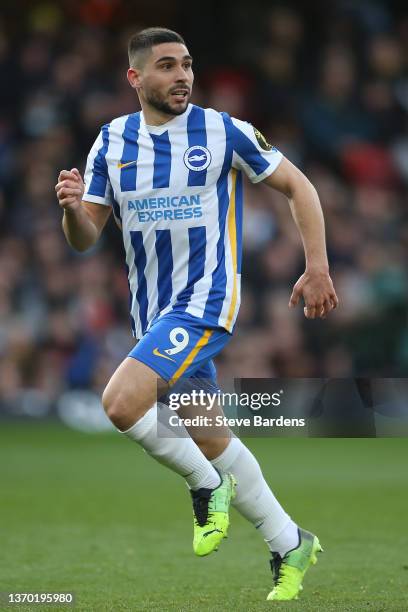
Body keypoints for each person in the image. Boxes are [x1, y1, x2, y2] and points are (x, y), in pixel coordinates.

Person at [55, 27, 338, 602]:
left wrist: (318, 266)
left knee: (120, 402)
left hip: (207, 299)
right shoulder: (111, 142)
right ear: (136, 79)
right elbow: (85, 237)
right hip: (153, 311)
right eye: (166, 66)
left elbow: (298, 186)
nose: (182, 75)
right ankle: (290, 541)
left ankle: (208, 488)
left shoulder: (222, 130)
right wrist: (70, 209)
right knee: (208, 432)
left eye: (186, 64)